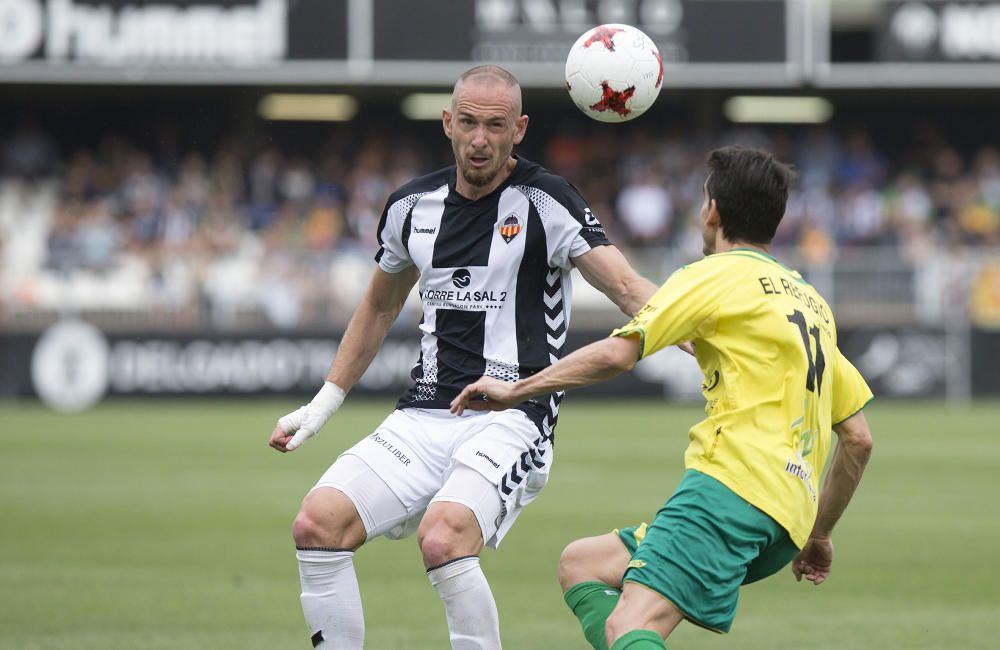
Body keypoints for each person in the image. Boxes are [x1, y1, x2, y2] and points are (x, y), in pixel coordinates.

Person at [268, 64, 661, 650]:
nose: (481, 138)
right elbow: (377, 308)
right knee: (317, 524)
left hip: (514, 416)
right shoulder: (409, 207)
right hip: (424, 413)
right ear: (448, 123)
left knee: (444, 537)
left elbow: (628, 287)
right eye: (469, 123)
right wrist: (324, 403)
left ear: (519, 129)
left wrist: (705, 326)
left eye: (496, 126)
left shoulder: (546, 200)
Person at [452, 146, 875, 650]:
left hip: (731, 491)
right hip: (787, 520)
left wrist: (516, 390)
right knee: (581, 565)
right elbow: (858, 437)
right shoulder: (810, 302)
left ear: (712, 210)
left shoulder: (714, 275)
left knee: (629, 626)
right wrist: (821, 535)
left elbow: (617, 355)